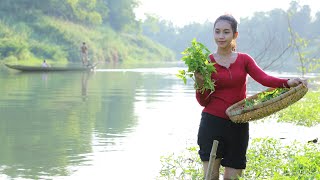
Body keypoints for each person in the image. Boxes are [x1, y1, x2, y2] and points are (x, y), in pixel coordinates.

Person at [194, 14, 307, 180]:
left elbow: (264, 78)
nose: (221, 36)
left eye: (226, 32)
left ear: (235, 35)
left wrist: (288, 82)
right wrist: (200, 83)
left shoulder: (244, 60)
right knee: (210, 177)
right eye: (217, 32)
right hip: (212, 123)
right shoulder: (206, 63)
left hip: (238, 123)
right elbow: (203, 101)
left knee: (233, 177)